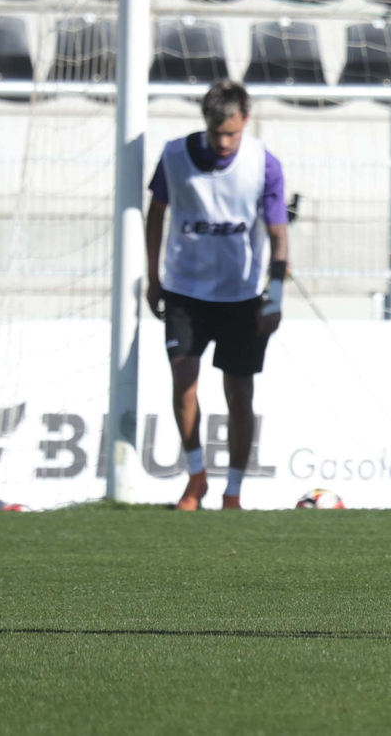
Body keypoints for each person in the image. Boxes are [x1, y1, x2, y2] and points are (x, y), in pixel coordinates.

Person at [145, 80, 288, 511]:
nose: (224, 142)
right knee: (184, 382)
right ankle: (195, 478)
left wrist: (275, 296)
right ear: (205, 123)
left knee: (239, 393)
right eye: (216, 133)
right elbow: (156, 217)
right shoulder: (174, 155)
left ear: (245, 120)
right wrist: (152, 279)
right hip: (185, 291)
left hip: (242, 296)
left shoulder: (264, 163)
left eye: (232, 132)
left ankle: (234, 491)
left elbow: (279, 236)